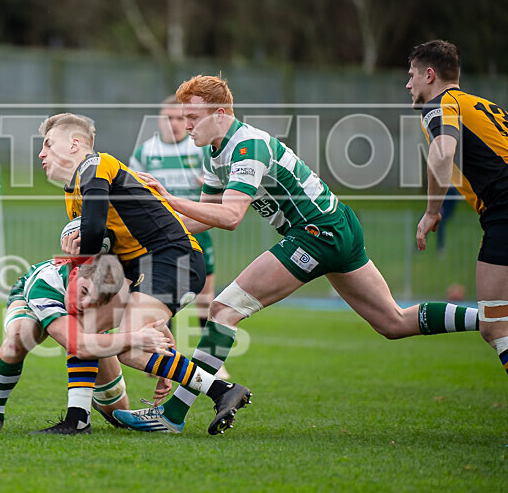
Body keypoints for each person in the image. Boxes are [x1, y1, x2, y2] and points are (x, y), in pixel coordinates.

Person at [116, 74, 480, 433]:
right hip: (336, 225)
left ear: (222, 114)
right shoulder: (215, 154)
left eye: (193, 117)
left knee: (223, 310)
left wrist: (167, 197)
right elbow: (202, 218)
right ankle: (490, 317)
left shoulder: (247, 147)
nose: (186, 125)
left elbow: (229, 217)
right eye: (183, 117)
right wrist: (144, 227)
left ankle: (172, 415)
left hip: (316, 232)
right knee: (394, 323)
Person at [38, 113, 251, 435]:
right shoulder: (74, 194)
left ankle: (223, 390)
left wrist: (80, 256)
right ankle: (76, 419)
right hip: (144, 269)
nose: (41, 153)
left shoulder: (96, 165)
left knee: (130, 348)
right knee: (85, 324)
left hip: (172, 258)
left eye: (48, 144)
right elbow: (104, 252)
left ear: (74, 144)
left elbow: (95, 232)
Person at [0, 253, 173, 435]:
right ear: (74, 274)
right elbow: (78, 344)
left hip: (84, 324)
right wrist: (135, 338)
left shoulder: (111, 283)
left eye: (93, 299)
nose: (84, 302)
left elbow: (148, 313)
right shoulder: (46, 285)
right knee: (18, 338)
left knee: (118, 412)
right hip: (31, 300)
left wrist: (168, 354)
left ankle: (87, 402)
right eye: (83, 291)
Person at [410, 39, 508, 379]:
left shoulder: (440, 104)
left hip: (504, 209)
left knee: (495, 326)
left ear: (430, 75)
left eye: (412, 75)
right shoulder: (480, 104)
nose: (408, 84)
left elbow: (441, 154)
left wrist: (432, 211)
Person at [128, 95, 229, 379]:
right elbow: (132, 186)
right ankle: (161, 355)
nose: (173, 124)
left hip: (194, 228)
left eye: (178, 118)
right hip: (157, 236)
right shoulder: (146, 152)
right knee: (158, 296)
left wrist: (209, 187)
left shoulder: (198, 149)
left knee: (205, 299)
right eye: (168, 118)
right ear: (159, 120)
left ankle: (213, 362)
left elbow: (218, 187)